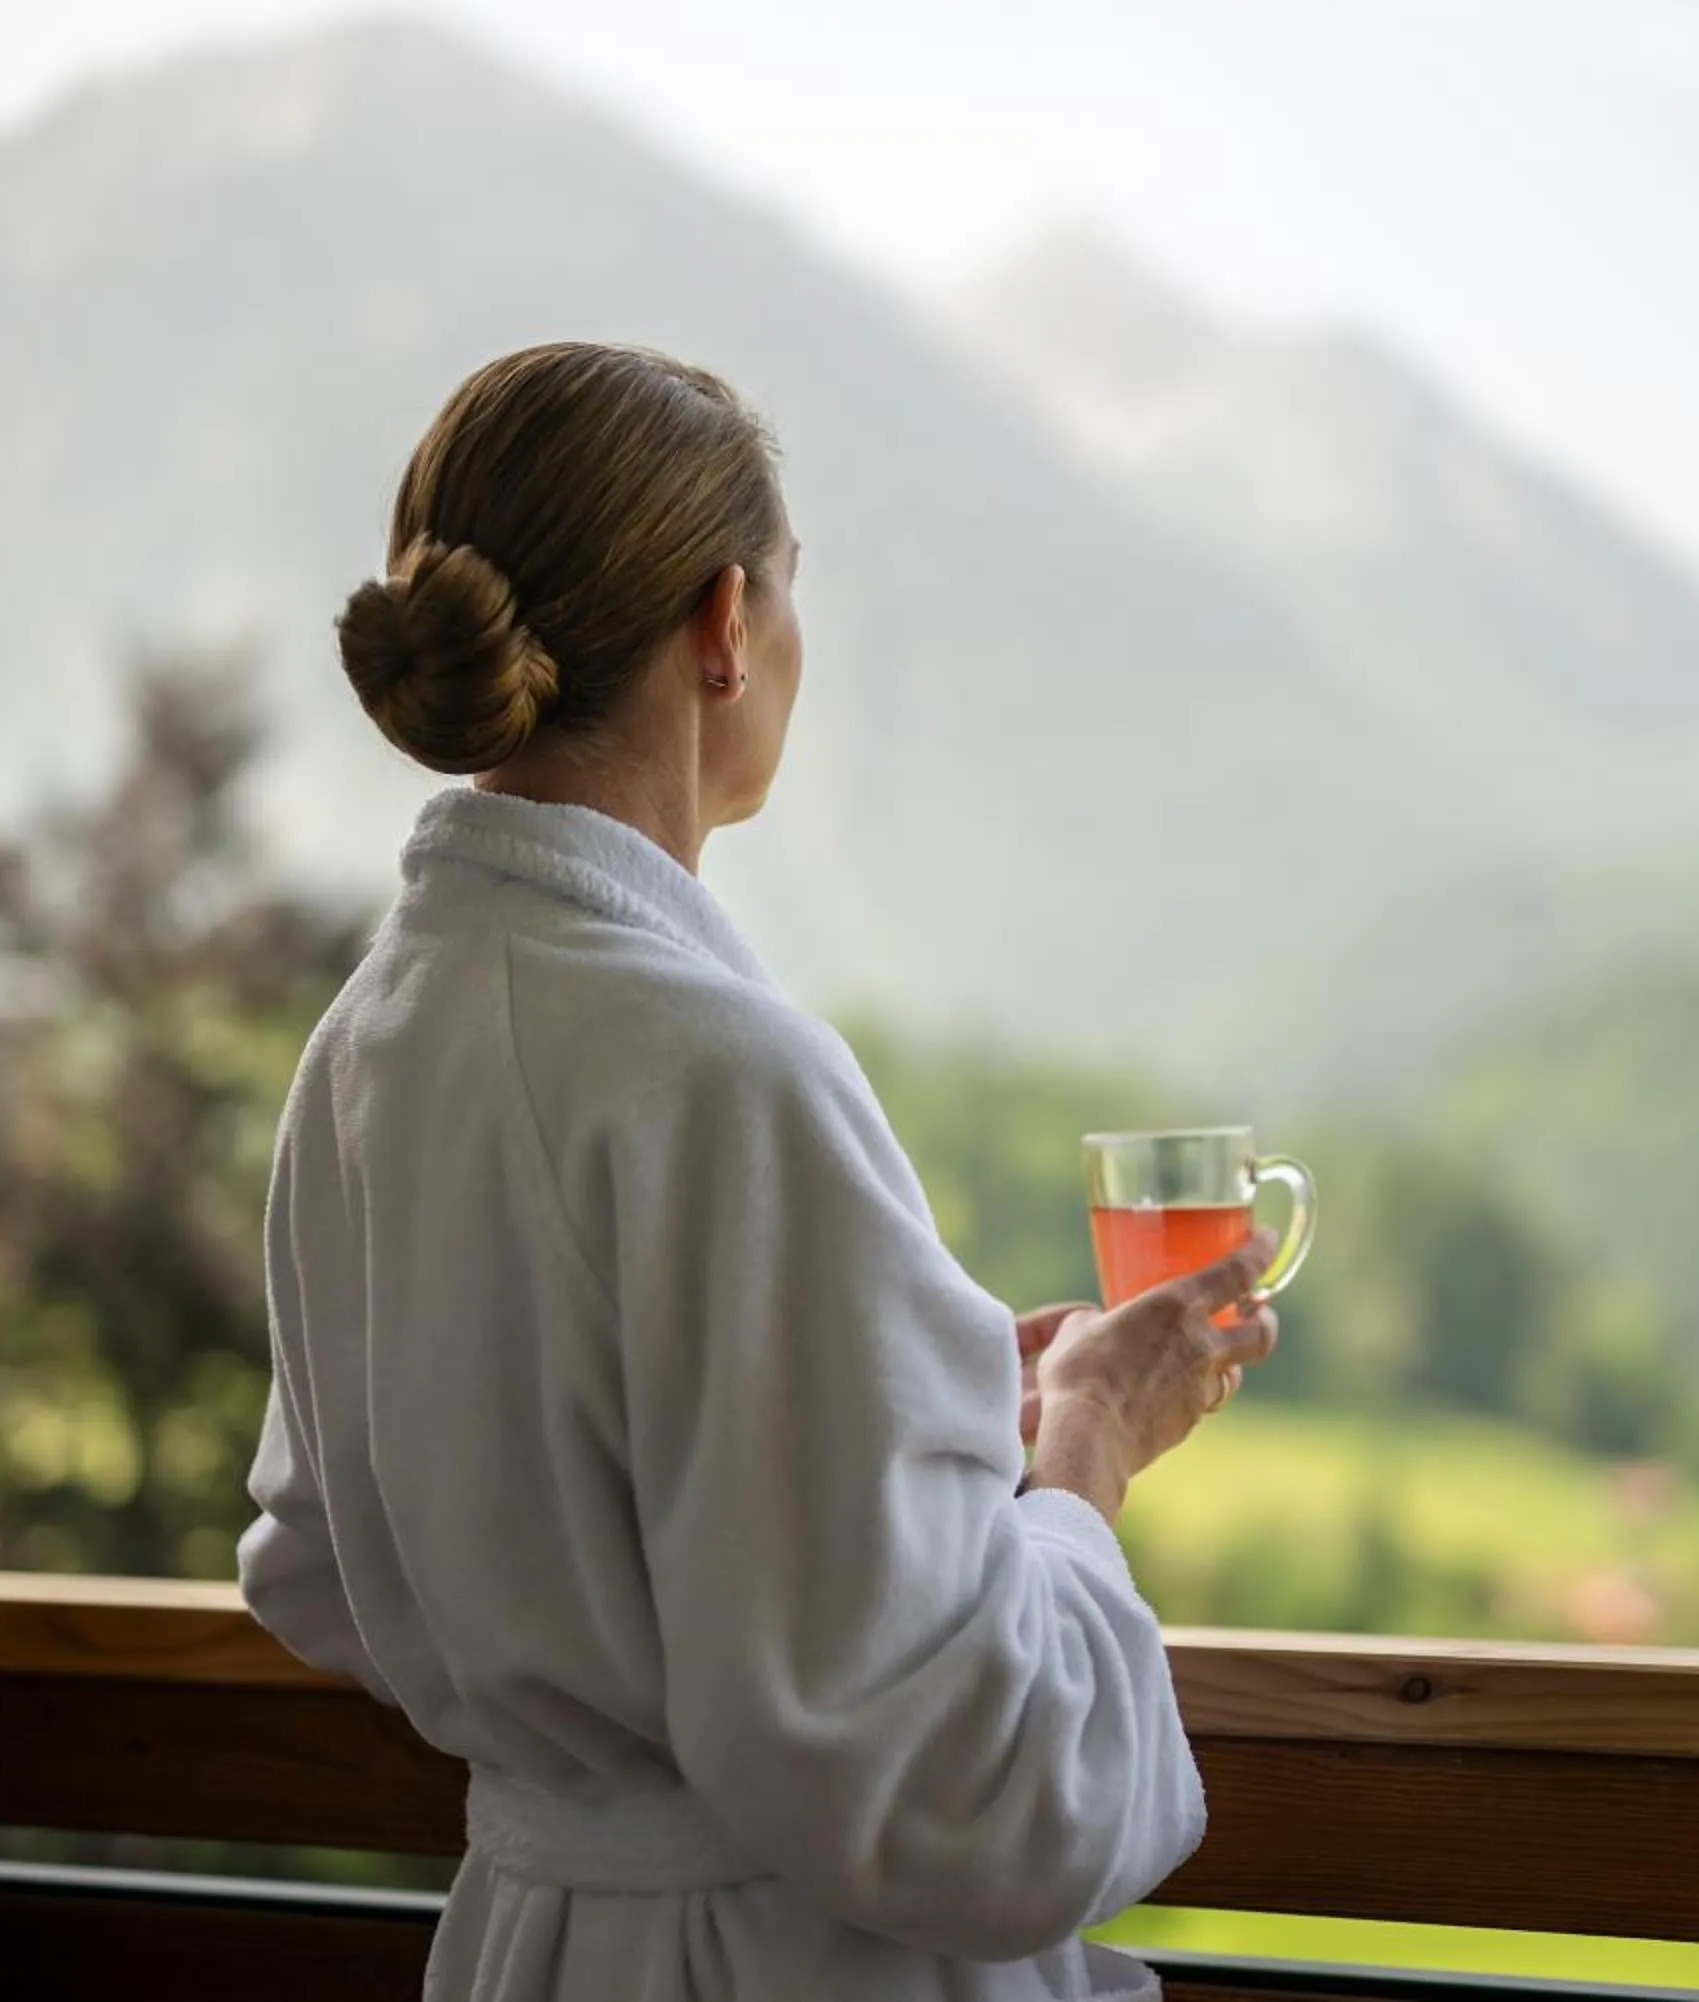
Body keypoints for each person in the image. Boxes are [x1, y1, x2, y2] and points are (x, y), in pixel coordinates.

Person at [240, 341, 1279, 2002]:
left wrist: (904, 1431)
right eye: (793, 587)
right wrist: (1088, 1437)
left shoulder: (368, 1044)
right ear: (727, 623)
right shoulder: (726, 1069)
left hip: (537, 1945)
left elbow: (317, 1557)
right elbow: (968, 1782)